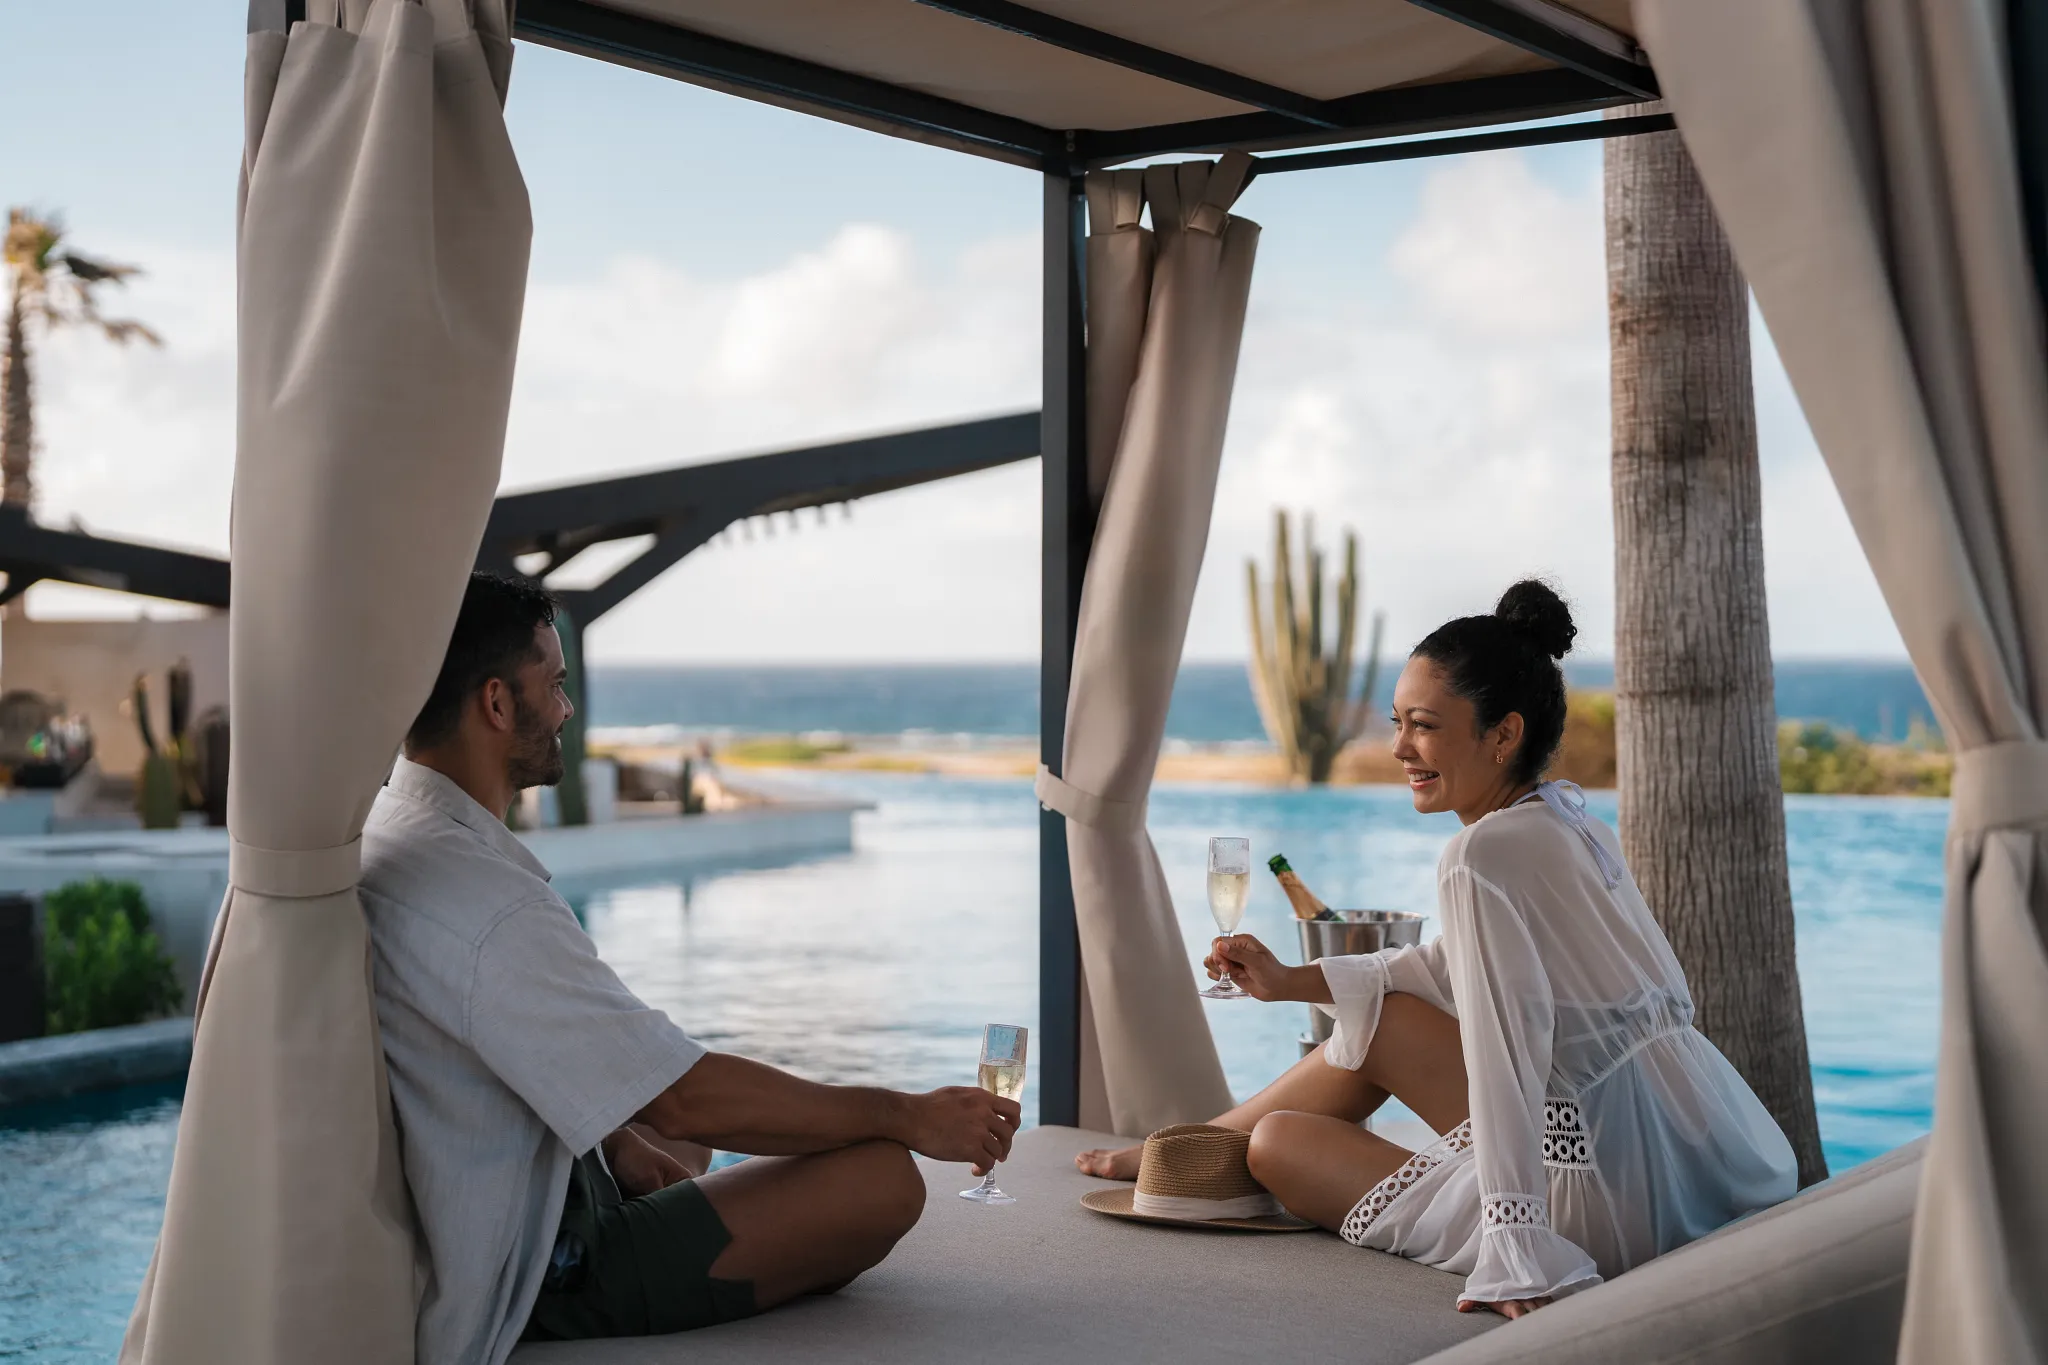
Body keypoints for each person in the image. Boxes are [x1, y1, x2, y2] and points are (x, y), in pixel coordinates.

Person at [1076, 580, 1796, 1319]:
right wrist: (1293, 980)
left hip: (1612, 1200)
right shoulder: (1567, 822)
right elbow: (1447, 966)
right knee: (1382, 1016)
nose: (1397, 748)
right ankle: (1187, 1145)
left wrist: (1518, 1245)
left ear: (1503, 734)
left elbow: (1510, 1047)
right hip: (1699, 1148)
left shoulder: (1479, 853)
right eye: (1398, 723)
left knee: (1278, 1144)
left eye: (1422, 725)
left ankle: (1187, 1156)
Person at [360, 572, 1019, 1365]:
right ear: (498, 704)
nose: (566, 710)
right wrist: (902, 1113)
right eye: (556, 684)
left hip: (523, 1187)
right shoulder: (486, 904)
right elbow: (684, 1094)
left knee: (668, 1136)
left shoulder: (401, 833)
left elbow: (610, 1079)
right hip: (546, 1268)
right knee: (882, 1179)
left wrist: (615, 1140)